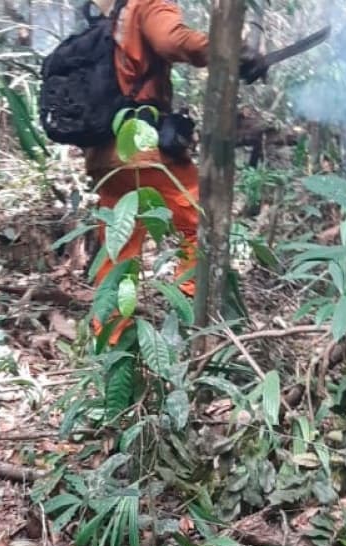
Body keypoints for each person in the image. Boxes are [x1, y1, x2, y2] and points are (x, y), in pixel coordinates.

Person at [85, 0, 263, 341]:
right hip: (140, 143)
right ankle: (191, 324)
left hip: (105, 151)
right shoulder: (146, 3)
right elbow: (172, 39)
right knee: (203, 221)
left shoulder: (108, 9)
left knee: (118, 247)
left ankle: (109, 341)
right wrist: (232, 50)